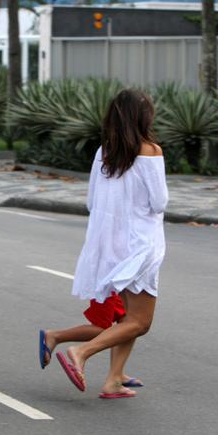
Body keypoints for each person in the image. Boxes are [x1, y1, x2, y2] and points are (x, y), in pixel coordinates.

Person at [52, 89, 168, 399]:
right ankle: (81, 353)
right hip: (140, 245)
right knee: (140, 322)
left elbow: (92, 201)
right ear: (143, 118)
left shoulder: (103, 152)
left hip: (109, 246)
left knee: (127, 319)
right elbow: (159, 202)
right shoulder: (150, 151)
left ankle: (114, 380)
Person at [39, 292, 144, 388]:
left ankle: (117, 374)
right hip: (109, 283)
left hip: (116, 284)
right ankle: (57, 337)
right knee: (107, 328)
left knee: (128, 321)